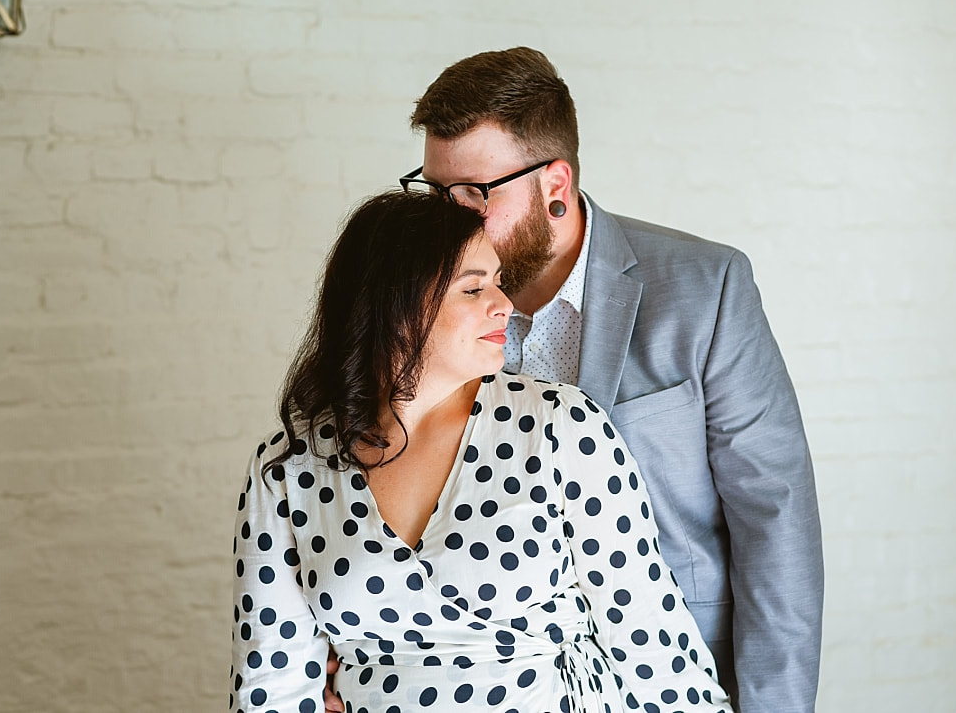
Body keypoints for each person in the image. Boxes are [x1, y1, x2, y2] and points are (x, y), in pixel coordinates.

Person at [398, 48, 823, 713]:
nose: (448, 220)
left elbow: (775, 522)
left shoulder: (706, 289)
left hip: (673, 679)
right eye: (434, 192)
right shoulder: (418, 307)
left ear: (556, 186)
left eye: (475, 194)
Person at [230, 191, 732, 712]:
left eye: (497, 282)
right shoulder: (289, 469)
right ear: (395, 308)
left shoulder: (559, 425)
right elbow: (270, 684)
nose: (505, 305)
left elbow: (652, 646)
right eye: (474, 289)